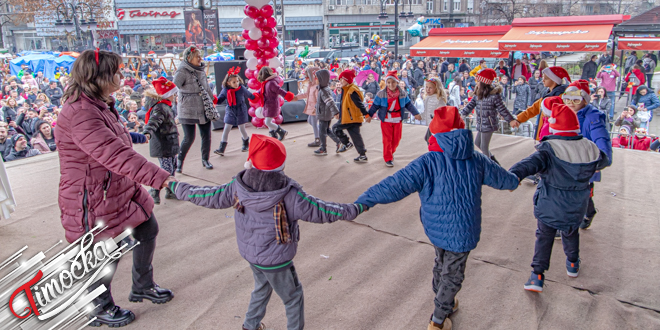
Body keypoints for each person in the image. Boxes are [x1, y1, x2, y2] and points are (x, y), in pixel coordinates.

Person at [169, 134, 365, 330]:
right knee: (293, 297)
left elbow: (207, 195)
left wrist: (177, 186)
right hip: (276, 260)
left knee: (262, 287)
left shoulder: (238, 186)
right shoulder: (290, 194)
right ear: (281, 165)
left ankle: (250, 325)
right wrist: (354, 209)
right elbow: (322, 210)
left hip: (251, 255)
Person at [355, 106, 519, 330]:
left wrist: (364, 200)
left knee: (441, 263)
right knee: (453, 274)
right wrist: (514, 181)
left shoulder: (427, 162)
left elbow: (393, 185)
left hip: (435, 228)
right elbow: (506, 180)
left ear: (434, 134)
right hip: (463, 232)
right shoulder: (477, 159)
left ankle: (445, 303)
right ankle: (439, 320)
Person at [56, 49, 175, 327]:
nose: (122, 76)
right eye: (117, 72)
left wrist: (135, 134)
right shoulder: (81, 113)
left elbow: (115, 140)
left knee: (148, 228)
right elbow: (115, 154)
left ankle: (142, 286)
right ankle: (98, 306)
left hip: (118, 186)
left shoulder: (98, 103)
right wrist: (162, 178)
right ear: (98, 77)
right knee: (105, 253)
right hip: (94, 196)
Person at [509, 103, 609, 293]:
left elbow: (528, 164)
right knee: (571, 232)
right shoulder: (590, 147)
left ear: (554, 127)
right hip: (577, 206)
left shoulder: (549, 149)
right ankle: (572, 264)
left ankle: (537, 276)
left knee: (544, 237)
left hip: (549, 205)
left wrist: (512, 177)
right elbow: (603, 160)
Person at [561, 79, 612, 229]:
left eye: (576, 99)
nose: (570, 102)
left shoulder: (593, 117)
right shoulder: (566, 112)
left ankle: (567, 224)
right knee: (574, 192)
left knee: (576, 193)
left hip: (586, 162)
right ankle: (589, 212)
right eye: (567, 99)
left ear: (585, 99)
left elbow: (602, 140)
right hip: (568, 159)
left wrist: (602, 160)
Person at [459, 69, 515, 164]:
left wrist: (511, 120)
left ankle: (488, 167)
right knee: (477, 144)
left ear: (483, 83)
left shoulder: (494, 96)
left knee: (484, 147)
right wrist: (461, 115)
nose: (476, 83)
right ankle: (494, 163)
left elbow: (502, 109)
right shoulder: (477, 95)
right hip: (481, 124)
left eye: (478, 81)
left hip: (489, 124)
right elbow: (470, 106)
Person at [174, 46, 216, 171]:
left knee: (206, 135)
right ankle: (180, 161)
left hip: (203, 107)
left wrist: (212, 100)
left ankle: (205, 159)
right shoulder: (182, 70)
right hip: (187, 108)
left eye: (200, 56)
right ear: (189, 58)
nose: (200, 58)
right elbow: (174, 87)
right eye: (197, 56)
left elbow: (207, 87)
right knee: (189, 138)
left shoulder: (201, 69)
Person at [367, 71, 421, 167]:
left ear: (397, 82)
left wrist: (416, 113)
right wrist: (369, 115)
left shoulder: (403, 94)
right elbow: (375, 106)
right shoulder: (381, 94)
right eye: (388, 82)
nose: (391, 84)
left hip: (397, 119)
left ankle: (390, 152)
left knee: (397, 139)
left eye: (393, 82)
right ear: (386, 83)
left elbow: (409, 105)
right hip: (386, 119)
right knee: (387, 140)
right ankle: (388, 158)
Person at [142, 77, 180, 204]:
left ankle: (169, 191)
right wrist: (147, 133)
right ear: (166, 95)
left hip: (170, 142)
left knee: (172, 167)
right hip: (163, 144)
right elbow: (153, 122)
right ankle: (155, 190)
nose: (174, 96)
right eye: (173, 94)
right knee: (165, 170)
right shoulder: (160, 108)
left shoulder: (167, 106)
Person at [511, 66, 571, 142]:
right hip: (543, 133)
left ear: (554, 80)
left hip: (552, 136)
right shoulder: (547, 94)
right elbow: (533, 109)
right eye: (543, 77)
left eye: (546, 78)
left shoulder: (560, 97)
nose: (543, 80)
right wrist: (518, 119)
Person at [214, 67, 254, 155]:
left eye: (237, 81)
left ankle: (245, 143)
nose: (236, 83)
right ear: (228, 83)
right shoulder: (225, 90)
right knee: (226, 129)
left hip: (241, 110)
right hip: (230, 111)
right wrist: (213, 99)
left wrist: (257, 97)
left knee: (241, 128)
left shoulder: (242, 89)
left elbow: (250, 96)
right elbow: (219, 100)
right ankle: (221, 148)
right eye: (234, 82)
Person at [333, 69, 369, 163]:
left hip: (350, 118)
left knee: (335, 128)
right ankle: (362, 155)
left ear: (347, 80)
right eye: (340, 79)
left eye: (342, 79)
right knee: (356, 136)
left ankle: (346, 143)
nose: (340, 81)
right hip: (351, 117)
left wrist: (366, 114)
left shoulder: (351, 90)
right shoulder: (347, 89)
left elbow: (359, 104)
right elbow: (344, 104)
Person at [258, 66, 294, 141]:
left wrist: (287, 96)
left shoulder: (271, 83)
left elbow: (279, 90)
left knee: (267, 122)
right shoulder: (266, 83)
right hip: (268, 104)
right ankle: (273, 135)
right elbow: (261, 91)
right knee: (268, 121)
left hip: (272, 105)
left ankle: (282, 131)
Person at [313, 69, 342, 156]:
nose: (315, 80)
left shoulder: (323, 91)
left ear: (322, 79)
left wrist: (336, 112)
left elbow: (330, 102)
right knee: (327, 130)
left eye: (317, 78)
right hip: (325, 114)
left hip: (324, 115)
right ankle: (338, 141)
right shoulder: (324, 89)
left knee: (322, 132)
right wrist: (316, 107)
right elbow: (321, 102)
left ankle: (323, 148)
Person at [294, 66, 321, 147]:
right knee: (310, 121)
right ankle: (322, 132)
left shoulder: (316, 86)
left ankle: (318, 139)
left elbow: (319, 99)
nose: (306, 77)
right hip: (311, 107)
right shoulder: (310, 85)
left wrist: (316, 108)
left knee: (313, 122)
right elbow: (306, 94)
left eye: (307, 76)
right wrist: (296, 97)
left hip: (315, 108)